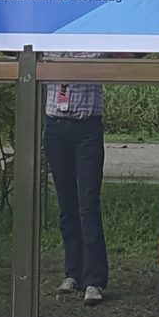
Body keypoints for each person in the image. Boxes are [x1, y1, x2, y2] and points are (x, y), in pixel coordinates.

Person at [44, 75, 110, 304]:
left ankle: (94, 280)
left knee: (88, 204)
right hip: (55, 125)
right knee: (66, 204)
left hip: (87, 127)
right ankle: (72, 273)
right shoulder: (51, 40)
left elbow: (125, 53)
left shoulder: (93, 39)